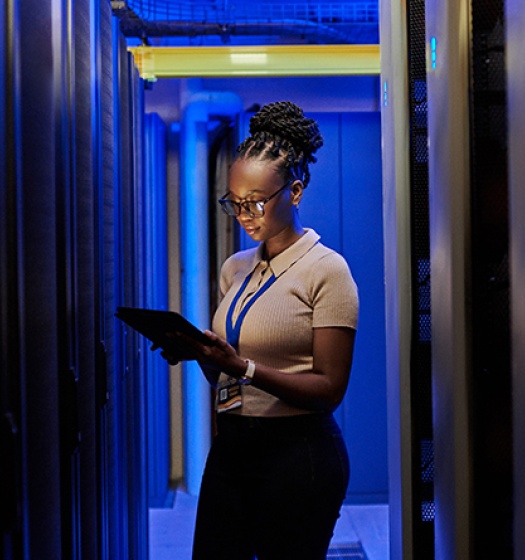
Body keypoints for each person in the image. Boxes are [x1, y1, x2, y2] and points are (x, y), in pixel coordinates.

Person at [166, 101, 359, 559]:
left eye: (255, 202)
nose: (244, 214)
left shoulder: (327, 271)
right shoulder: (235, 269)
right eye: (233, 203)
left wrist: (243, 366)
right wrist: (206, 356)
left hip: (298, 455)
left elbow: (329, 389)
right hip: (232, 449)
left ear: (294, 192)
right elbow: (228, 375)